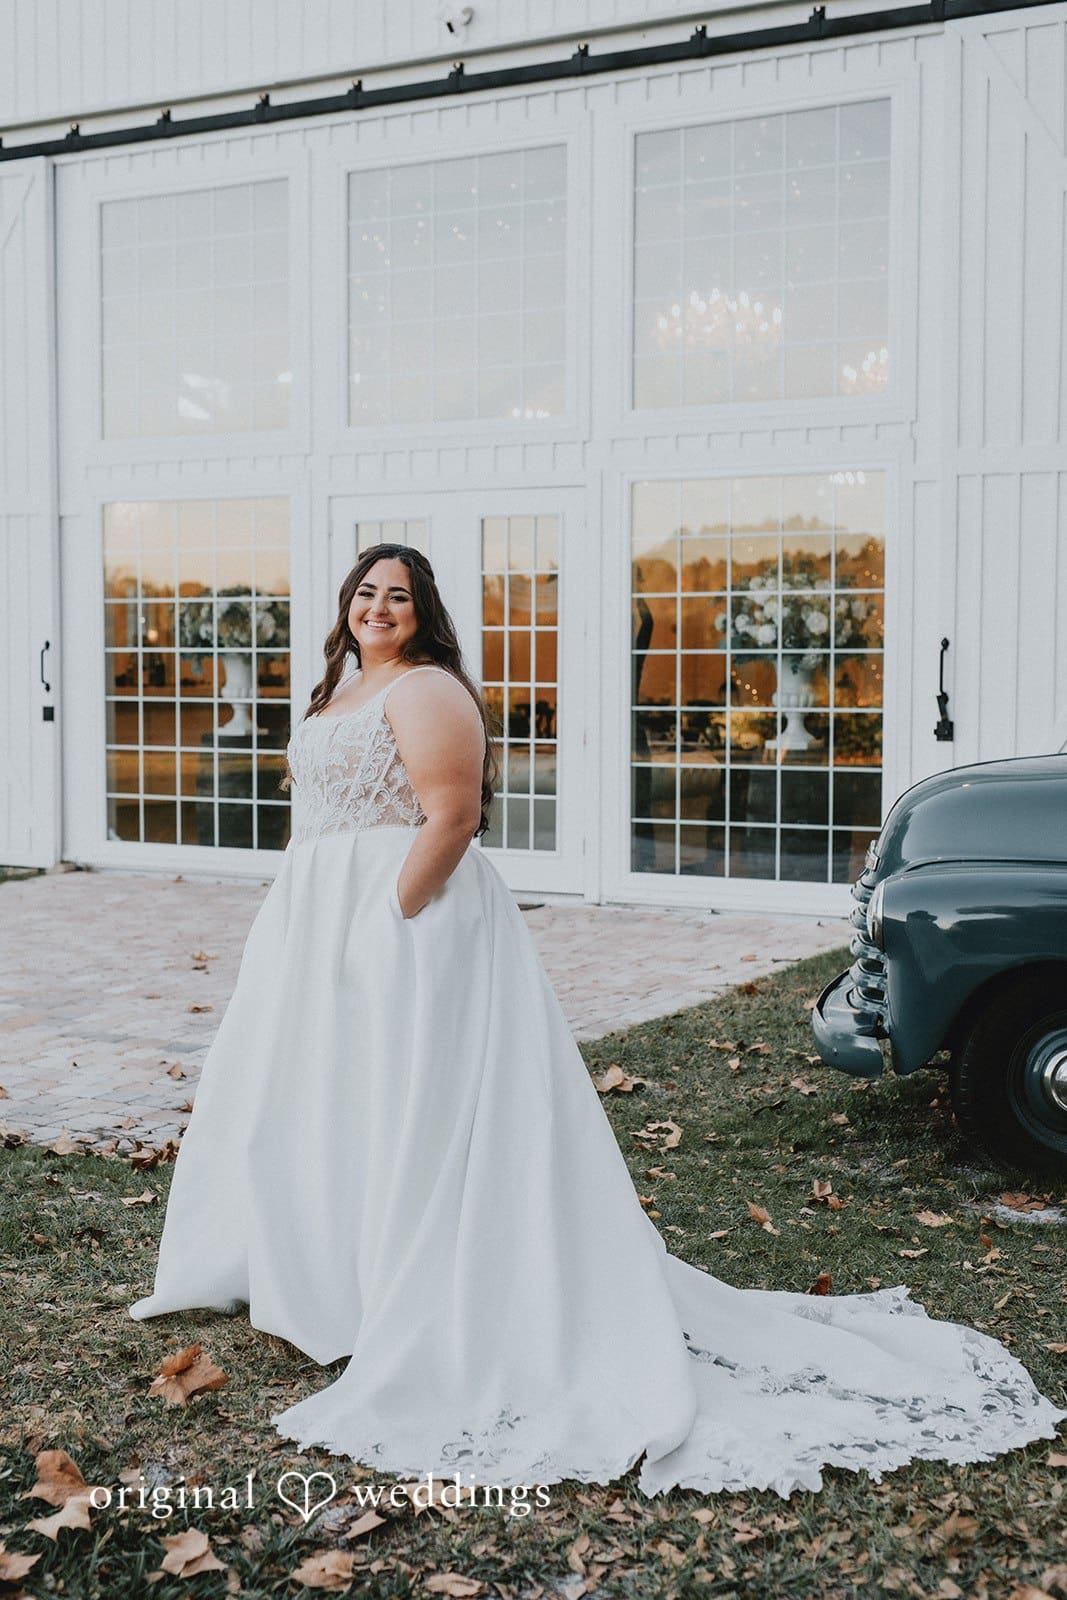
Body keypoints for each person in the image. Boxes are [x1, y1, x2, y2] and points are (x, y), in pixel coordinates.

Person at [130, 544, 1065, 1497]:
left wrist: (383, 924)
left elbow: (450, 819)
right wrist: (307, 918)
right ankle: (329, 1275)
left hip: (405, 917)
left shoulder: (426, 691)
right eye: (366, 593)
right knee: (334, 1097)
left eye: (398, 597)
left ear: (423, 613)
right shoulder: (338, 689)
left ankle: (421, 1288)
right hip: (319, 914)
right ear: (346, 605)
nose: (380, 608)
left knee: (413, 1097)